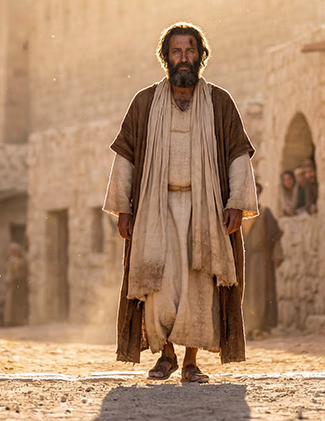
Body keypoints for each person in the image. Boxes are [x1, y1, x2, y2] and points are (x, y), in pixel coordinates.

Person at [104, 22, 258, 383]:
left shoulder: (219, 102)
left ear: (201, 56)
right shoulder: (144, 103)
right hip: (155, 209)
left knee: (198, 284)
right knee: (159, 282)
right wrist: (124, 208)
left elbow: (238, 155)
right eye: (177, 51)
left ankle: (191, 361)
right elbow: (125, 158)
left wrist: (236, 202)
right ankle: (167, 356)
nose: (184, 57)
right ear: (166, 57)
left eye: (190, 50)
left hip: (205, 209)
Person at [242, 183, 284, 340]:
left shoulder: (265, 213)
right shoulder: (238, 214)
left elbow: (275, 236)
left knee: (259, 291)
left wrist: (277, 254)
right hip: (243, 258)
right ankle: (247, 327)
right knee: (245, 293)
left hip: (260, 259)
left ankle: (258, 326)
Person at [4, 243, 30, 326]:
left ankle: (20, 320)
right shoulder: (11, 260)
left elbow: (22, 271)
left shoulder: (21, 260)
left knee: (19, 302)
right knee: (11, 303)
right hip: (13, 283)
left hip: (19, 283)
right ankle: (12, 320)